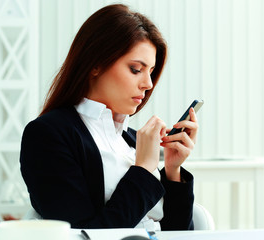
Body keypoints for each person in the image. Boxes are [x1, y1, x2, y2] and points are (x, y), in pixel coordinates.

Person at [20, 4, 198, 231]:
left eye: (151, 72)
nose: (148, 84)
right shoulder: (48, 135)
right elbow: (85, 234)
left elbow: (180, 234)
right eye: (136, 69)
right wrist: (143, 169)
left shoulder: (131, 140)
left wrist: (172, 171)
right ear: (95, 64)